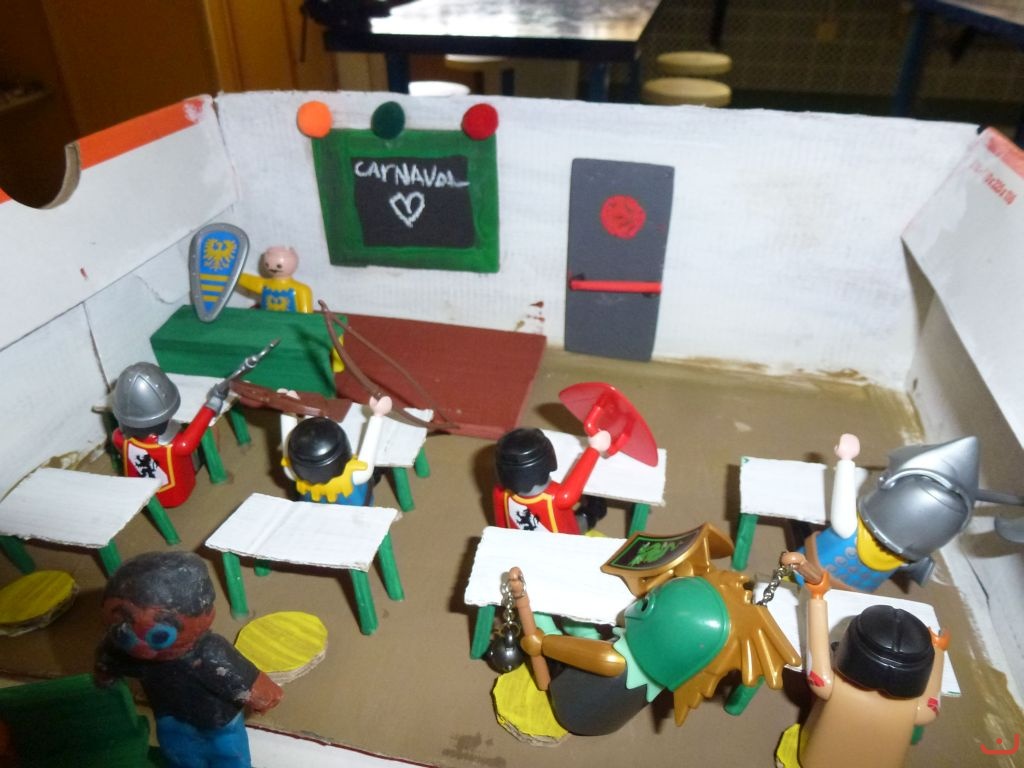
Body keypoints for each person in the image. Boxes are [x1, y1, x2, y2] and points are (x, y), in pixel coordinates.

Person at [95, 552, 283, 768]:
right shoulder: (124, 651)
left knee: (228, 757)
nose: (140, 645)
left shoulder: (210, 652)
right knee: (179, 755)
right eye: (123, 632)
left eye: (159, 635)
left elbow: (249, 682)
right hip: (170, 717)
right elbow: (110, 659)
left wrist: (262, 696)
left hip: (219, 722)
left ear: (207, 616)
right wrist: (105, 670)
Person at [111, 362, 226, 508]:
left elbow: (119, 443)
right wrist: (212, 404)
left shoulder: (119, 438)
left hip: (141, 494)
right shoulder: (178, 445)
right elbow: (197, 429)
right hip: (176, 495)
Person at [492, 427, 611, 534]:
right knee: (590, 513)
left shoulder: (500, 494)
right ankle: (596, 508)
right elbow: (578, 478)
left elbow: (501, 525)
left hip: (523, 542)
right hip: (564, 541)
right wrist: (594, 448)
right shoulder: (559, 497)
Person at [281, 395, 392, 505]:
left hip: (314, 507)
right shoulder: (356, 476)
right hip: (354, 510)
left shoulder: (294, 473)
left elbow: (288, 446)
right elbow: (368, 455)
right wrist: (377, 416)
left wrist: (288, 410)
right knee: (375, 474)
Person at [237, 245, 313, 313]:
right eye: (267, 265)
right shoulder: (264, 285)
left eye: (279, 266)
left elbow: (306, 317)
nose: (272, 268)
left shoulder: (302, 290)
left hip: (291, 323)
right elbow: (245, 279)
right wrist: (233, 273)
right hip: (267, 321)